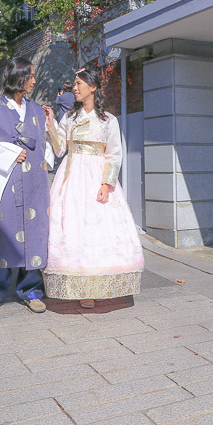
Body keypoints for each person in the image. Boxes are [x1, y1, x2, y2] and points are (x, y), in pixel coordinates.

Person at [42, 67, 143, 309]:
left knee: (98, 232)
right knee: (75, 229)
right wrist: (50, 126)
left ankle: (97, 286)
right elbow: (59, 150)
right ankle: (80, 287)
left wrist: (107, 184)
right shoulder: (70, 117)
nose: (74, 88)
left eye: (79, 84)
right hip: (72, 176)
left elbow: (114, 155)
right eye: (74, 84)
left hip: (97, 177)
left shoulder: (109, 120)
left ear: (93, 87)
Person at [0, 57, 53, 316]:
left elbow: (48, 144)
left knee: (35, 232)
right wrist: (8, 153)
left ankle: (32, 291)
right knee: (0, 233)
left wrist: (45, 162)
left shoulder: (39, 111)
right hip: (4, 180)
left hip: (34, 182)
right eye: (30, 76)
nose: (34, 80)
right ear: (18, 77)